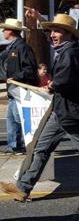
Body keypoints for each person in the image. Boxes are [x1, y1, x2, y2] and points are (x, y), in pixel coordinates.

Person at [1, 14, 79, 202]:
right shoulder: (67, 48)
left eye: (57, 31)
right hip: (61, 109)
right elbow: (56, 53)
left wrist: (52, 85)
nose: (52, 34)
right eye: (51, 31)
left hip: (70, 111)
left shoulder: (70, 53)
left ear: (69, 34)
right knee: (40, 148)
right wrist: (39, 19)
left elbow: (64, 79)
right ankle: (23, 188)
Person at [0, 18, 38, 155]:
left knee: (18, 119)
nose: (3, 31)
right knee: (11, 119)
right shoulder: (11, 47)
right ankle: (13, 146)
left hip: (20, 89)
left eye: (5, 29)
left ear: (11, 31)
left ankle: (20, 146)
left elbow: (30, 69)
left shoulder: (22, 47)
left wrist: (16, 77)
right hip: (13, 90)